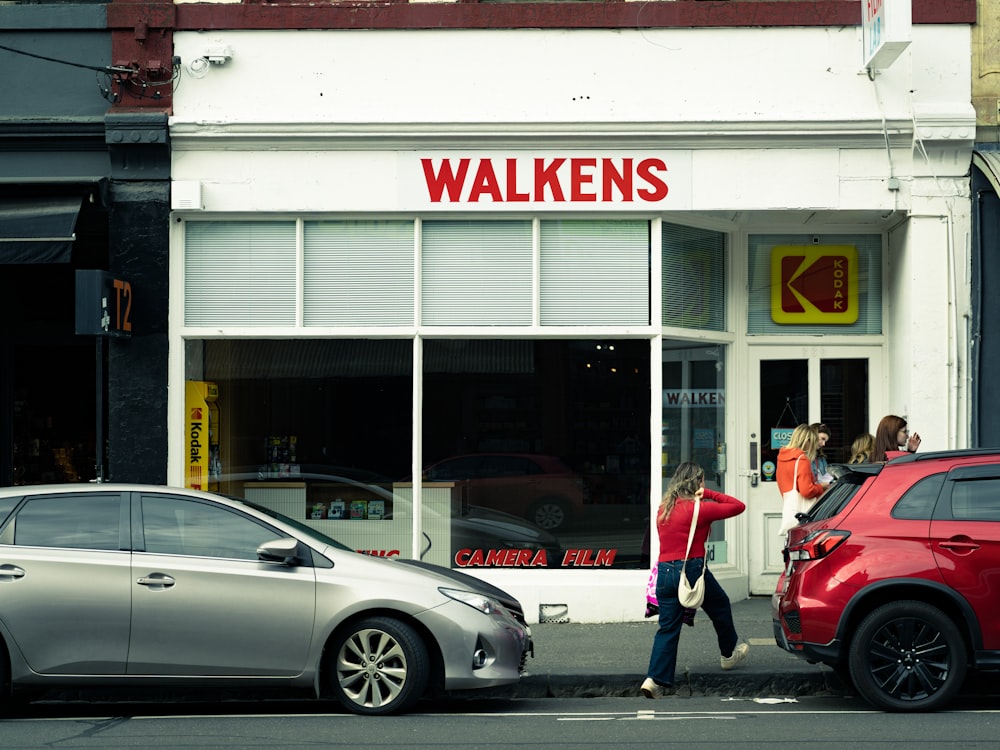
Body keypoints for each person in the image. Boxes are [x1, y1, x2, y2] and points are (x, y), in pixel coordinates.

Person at [641, 462, 749, 699]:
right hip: (691, 570)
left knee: (668, 627)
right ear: (695, 483)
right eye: (701, 481)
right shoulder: (699, 509)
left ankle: (653, 679)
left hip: (665, 572)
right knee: (719, 605)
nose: (703, 484)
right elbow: (738, 506)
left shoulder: (664, 508)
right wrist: (709, 494)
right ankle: (728, 654)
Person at [776, 423, 829, 535]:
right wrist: (822, 487)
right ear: (807, 441)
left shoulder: (782, 458)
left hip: (790, 506)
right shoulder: (802, 459)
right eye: (813, 441)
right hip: (804, 513)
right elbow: (807, 491)